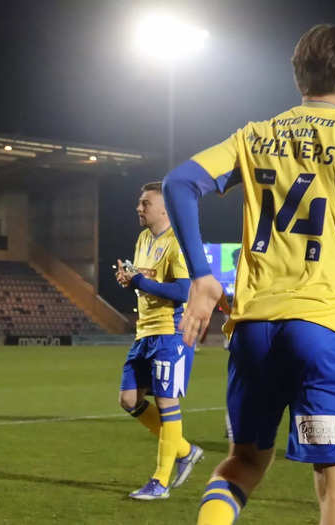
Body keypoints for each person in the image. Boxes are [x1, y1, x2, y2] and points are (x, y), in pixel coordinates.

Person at [162, 24, 335, 525]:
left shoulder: (255, 135)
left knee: (244, 463)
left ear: (299, 79)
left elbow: (179, 182)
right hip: (325, 332)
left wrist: (202, 277)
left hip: (254, 330)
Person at [115, 181, 205, 500]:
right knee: (129, 399)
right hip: (145, 331)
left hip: (171, 331)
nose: (139, 209)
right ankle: (184, 450)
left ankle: (161, 481)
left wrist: (140, 280)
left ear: (164, 207)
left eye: (145, 204)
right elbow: (149, 281)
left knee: (166, 402)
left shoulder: (176, 241)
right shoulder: (143, 238)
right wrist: (132, 280)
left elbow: (183, 291)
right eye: (139, 204)